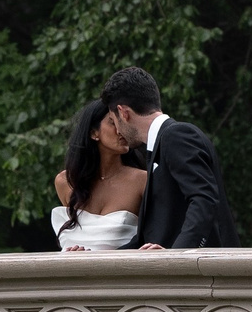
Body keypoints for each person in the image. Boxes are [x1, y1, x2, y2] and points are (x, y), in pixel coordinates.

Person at [99, 65, 238, 249]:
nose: (117, 129)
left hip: (202, 272)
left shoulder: (177, 135)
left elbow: (204, 199)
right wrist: (87, 257)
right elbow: (147, 239)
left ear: (123, 113)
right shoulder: (159, 146)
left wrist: (175, 255)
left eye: (113, 119)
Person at [50, 97, 147, 251]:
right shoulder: (65, 182)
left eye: (124, 122)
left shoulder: (142, 181)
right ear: (93, 132)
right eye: (113, 122)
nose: (121, 130)